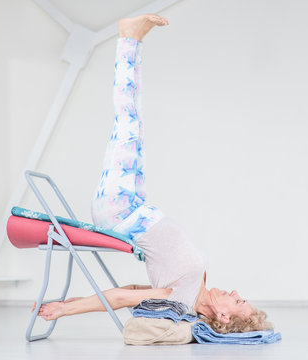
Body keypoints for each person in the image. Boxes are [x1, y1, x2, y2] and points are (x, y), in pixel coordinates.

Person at [36, 14, 272, 334]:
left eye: (239, 302)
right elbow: (133, 292)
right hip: (135, 204)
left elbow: (123, 297)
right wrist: (74, 300)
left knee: (128, 121)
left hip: (120, 209)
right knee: (135, 122)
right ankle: (133, 41)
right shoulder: (195, 288)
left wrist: (65, 308)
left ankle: (129, 38)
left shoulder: (183, 298)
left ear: (225, 317)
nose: (236, 294)